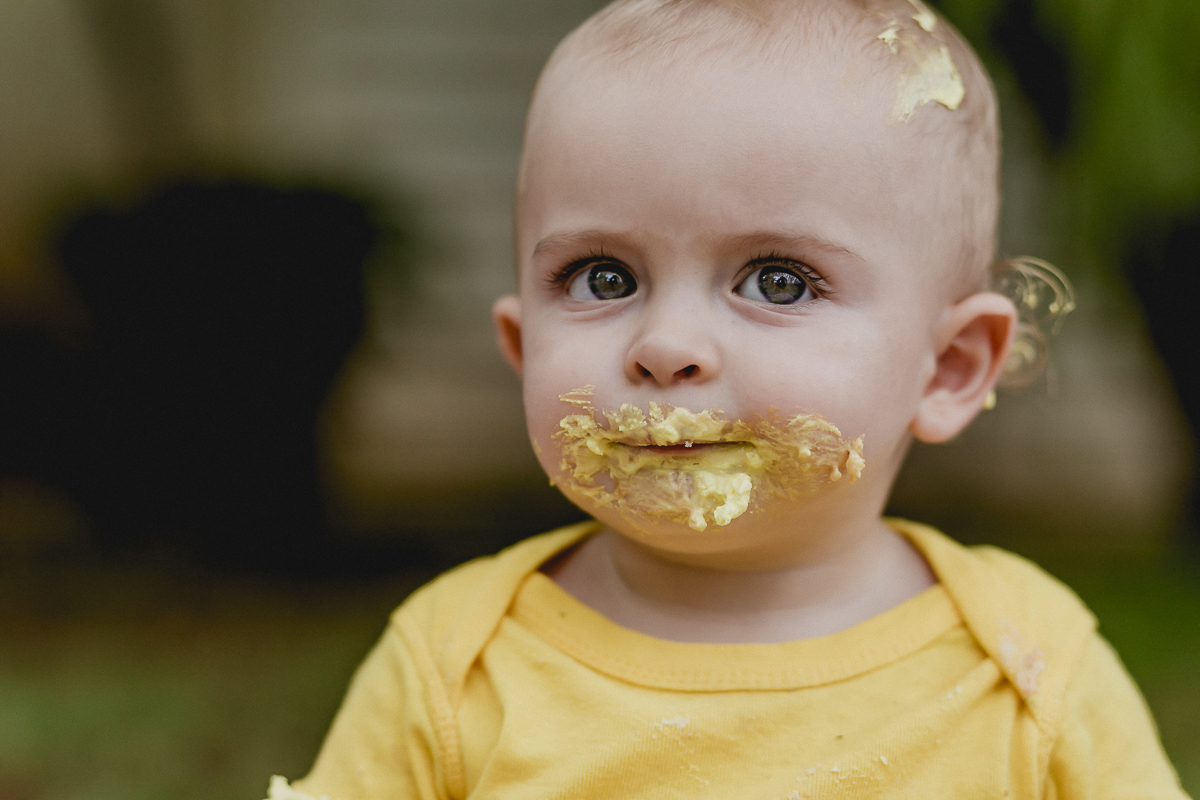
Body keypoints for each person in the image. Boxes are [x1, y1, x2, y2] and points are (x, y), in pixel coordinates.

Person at [268, 0, 1189, 797]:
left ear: (946, 369)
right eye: (601, 277)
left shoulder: (1027, 670)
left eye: (779, 282)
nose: (666, 347)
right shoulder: (453, 666)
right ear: (520, 347)